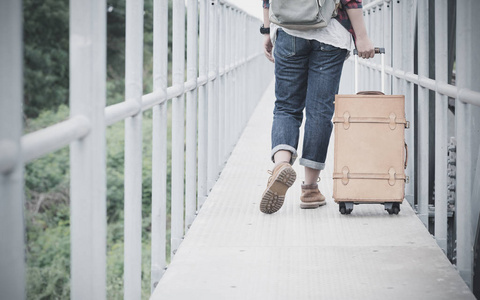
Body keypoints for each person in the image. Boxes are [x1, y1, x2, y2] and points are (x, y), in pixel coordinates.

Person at [260, 0, 375, 214]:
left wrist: (266, 30)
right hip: (330, 33)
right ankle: (310, 189)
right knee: (319, 111)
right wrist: (362, 36)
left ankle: (281, 164)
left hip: (288, 31)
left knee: (286, 106)